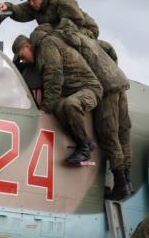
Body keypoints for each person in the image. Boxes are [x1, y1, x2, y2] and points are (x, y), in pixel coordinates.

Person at [49, 18, 133, 200]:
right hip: (119, 82)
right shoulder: (95, 42)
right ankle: (127, 179)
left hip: (107, 88)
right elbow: (111, 51)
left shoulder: (71, 41)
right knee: (123, 132)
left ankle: (121, 184)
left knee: (108, 134)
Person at [14, 26, 102, 165]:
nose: (23, 60)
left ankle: (84, 148)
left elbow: (54, 77)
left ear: (27, 46)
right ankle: (86, 143)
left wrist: (44, 110)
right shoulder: (40, 52)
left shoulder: (47, 45)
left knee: (70, 105)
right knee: (59, 108)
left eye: (22, 55)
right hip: (72, 90)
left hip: (88, 88)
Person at [0, 0, 118, 62]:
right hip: (60, 33)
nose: (31, 3)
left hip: (84, 30)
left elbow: (75, 22)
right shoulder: (34, 5)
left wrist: (50, 35)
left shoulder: (62, 1)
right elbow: (20, 11)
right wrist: (7, 6)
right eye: (29, 0)